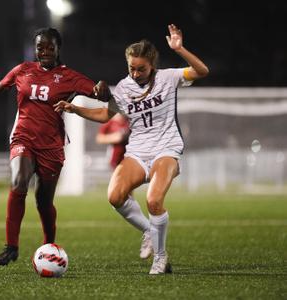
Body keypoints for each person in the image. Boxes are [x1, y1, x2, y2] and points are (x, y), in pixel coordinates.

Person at [54, 24, 209, 274]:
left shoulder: (169, 78)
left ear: (152, 65)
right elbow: (106, 114)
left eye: (141, 69)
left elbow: (202, 71)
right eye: (131, 68)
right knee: (114, 196)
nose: (135, 73)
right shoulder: (123, 88)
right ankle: (149, 231)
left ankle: (160, 257)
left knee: (154, 200)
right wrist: (75, 109)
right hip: (137, 151)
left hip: (166, 148)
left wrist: (180, 49)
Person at [0, 27, 109, 266]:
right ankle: (11, 246)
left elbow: (100, 95)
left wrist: (102, 88)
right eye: (40, 47)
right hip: (23, 137)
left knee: (43, 202)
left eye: (50, 47)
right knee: (18, 181)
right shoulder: (23, 70)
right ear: (35, 48)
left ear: (58, 49)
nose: (45, 51)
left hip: (51, 145)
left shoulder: (70, 76)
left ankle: (50, 247)